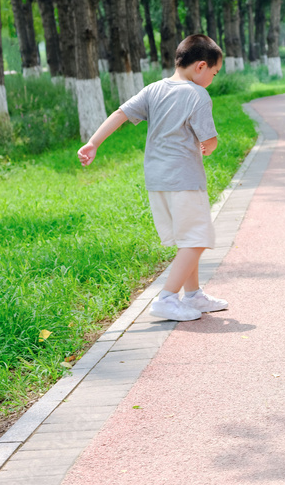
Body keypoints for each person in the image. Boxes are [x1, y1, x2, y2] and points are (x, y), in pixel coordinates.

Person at [77, 34, 227, 322]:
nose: (213, 78)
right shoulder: (197, 95)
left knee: (187, 237)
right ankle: (167, 298)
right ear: (201, 66)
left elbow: (120, 113)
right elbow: (209, 140)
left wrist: (93, 143)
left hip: (157, 180)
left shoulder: (154, 89)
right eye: (214, 72)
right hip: (184, 179)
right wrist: (210, 146)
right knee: (197, 238)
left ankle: (193, 294)